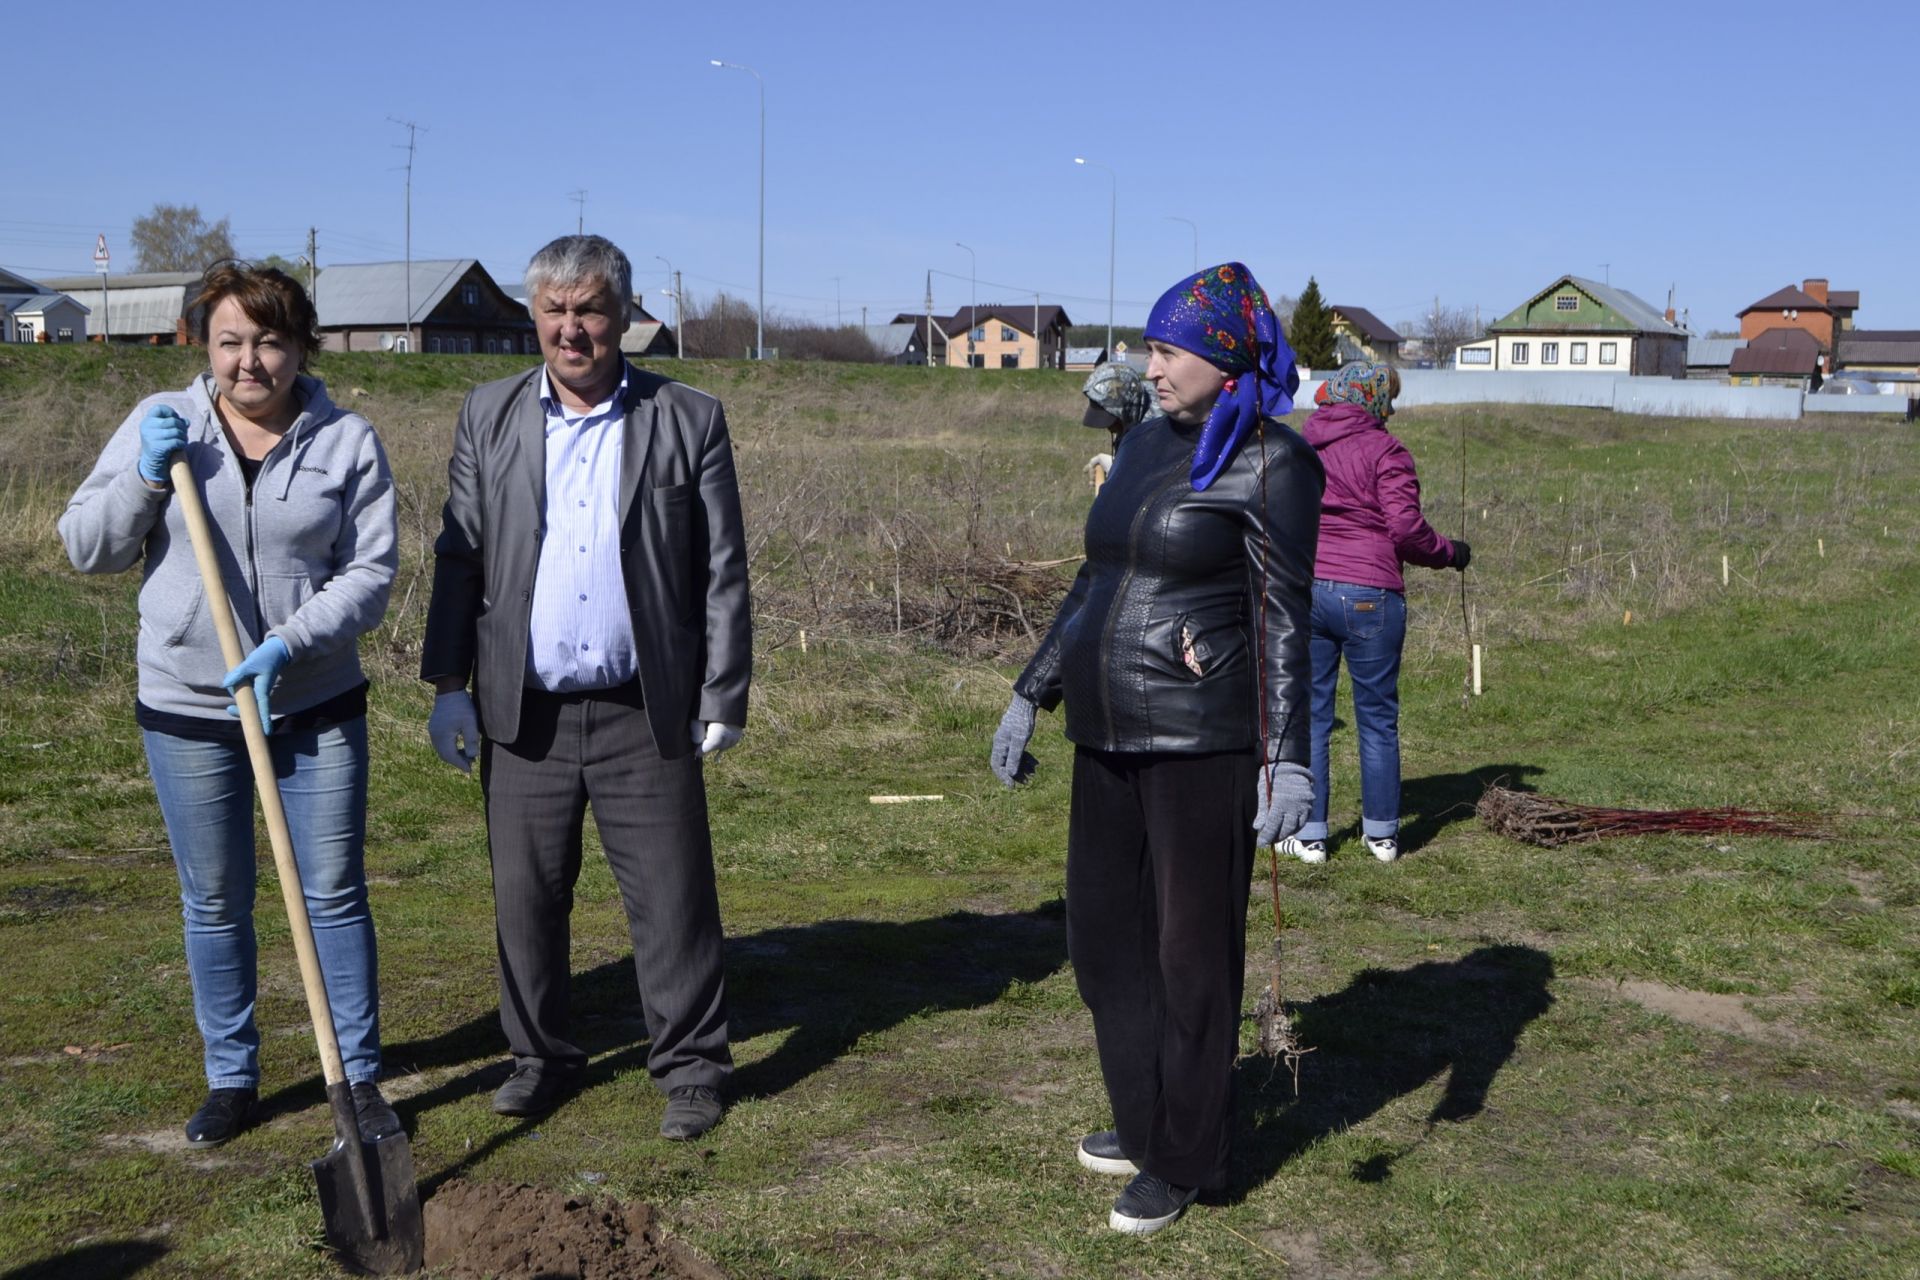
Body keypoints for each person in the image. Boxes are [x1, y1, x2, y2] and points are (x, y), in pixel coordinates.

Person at [989, 263, 1322, 1235]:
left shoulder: (1274, 462)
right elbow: (1097, 579)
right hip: (1105, 730)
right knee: (1101, 941)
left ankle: (1187, 1156)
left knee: (1191, 957)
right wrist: (1031, 687)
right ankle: (1146, 1118)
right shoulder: (1140, 442)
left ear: (1226, 360)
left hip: (1199, 742)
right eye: (1150, 344)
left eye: (1167, 349)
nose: (1150, 363)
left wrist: (1289, 755)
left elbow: (1287, 620)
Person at [58, 262, 402, 1147]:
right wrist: (143, 475)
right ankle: (232, 1077)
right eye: (231, 342)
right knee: (214, 901)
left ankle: (356, 1080)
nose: (251, 362)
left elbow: (370, 574)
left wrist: (289, 641)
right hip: (188, 704)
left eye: (270, 341)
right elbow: (85, 549)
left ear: (301, 345)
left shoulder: (346, 441)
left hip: (315, 698)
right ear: (203, 343)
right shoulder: (161, 424)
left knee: (331, 892)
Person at [420, 234, 748, 1141]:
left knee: (674, 899)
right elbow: (459, 559)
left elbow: (722, 569)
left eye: (591, 310)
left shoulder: (687, 418)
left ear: (624, 317)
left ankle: (690, 1068)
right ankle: (540, 1059)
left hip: (646, 708)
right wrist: (450, 682)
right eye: (556, 311)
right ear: (535, 317)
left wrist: (721, 694)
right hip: (523, 711)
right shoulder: (488, 415)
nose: (573, 330)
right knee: (525, 899)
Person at [1276, 362, 1468, 865]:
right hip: (1372, 593)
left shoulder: (1303, 446)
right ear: (1375, 400)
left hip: (1310, 588)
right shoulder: (1386, 450)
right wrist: (1449, 552)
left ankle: (1311, 835)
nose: (1394, 408)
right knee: (1378, 718)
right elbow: (1405, 530)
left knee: (1313, 716)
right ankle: (1382, 836)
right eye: (1391, 397)